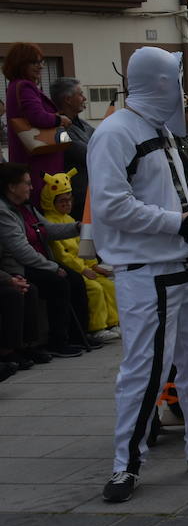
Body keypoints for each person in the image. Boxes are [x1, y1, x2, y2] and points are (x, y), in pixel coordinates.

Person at [88, 46, 188, 504]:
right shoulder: (115, 133)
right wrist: (178, 223)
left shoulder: (158, 129)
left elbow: (162, 193)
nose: (182, 94)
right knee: (145, 371)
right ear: (160, 84)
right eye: (177, 83)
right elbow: (110, 205)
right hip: (148, 271)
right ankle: (126, 464)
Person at [0, 163, 87, 358]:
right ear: (12, 187)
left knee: (76, 279)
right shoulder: (4, 211)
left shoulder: (27, 207)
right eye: (27, 183)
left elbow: (47, 229)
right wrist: (52, 267)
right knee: (58, 283)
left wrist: (76, 227)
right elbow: (20, 250)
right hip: (20, 266)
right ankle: (57, 342)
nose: (31, 188)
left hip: (40, 260)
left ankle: (79, 336)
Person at [41, 169, 119, 343]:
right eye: (62, 201)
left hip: (86, 268)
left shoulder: (70, 219)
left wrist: (93, 265)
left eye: (69, 199)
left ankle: (112, 323)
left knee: (108, 285)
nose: (67, 204)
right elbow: (62, 255)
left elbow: (85, 246)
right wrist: (83, 270)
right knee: (95, 289)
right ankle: (96, 327)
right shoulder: (50, 223)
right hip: (75, 270)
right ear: (50, 202)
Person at [4, 43, 69, 204]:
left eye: (41, 62)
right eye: (34, 62)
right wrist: (59, 119)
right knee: (44, 203)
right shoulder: (25, 86)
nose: (40, 66)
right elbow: (37, 117)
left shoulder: (15, 86)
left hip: (32, 157)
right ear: (21, 64)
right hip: (39, 160)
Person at [51, 78, 94, 219]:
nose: (84, 98)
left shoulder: (83, 124)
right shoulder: (59, 129)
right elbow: (87, 154)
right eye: (80, 94)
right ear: (68, 99)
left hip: (94, 194)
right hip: (78, 199)